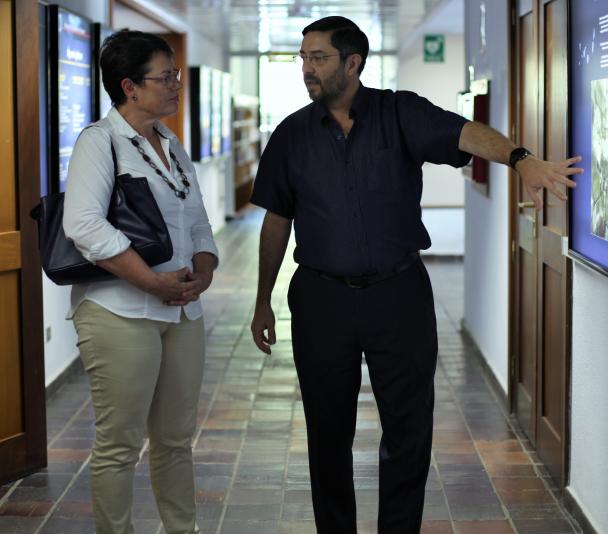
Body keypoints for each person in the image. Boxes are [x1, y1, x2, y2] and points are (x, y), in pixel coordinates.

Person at [249, 16, 581, 534]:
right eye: (304, 58)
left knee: (408, 429)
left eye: (318, 58)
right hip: (321, 300)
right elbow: (275, 219)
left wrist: (520, 159)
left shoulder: (398, 112)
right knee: (326, 432)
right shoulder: (291, 135)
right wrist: (262, 299)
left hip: (397, 296)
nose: (307, 69)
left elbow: (464, 133)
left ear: (353, 63)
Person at [63, 30, 218, 534]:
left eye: (175, 74)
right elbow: (84, 225)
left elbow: (198, 223)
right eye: (165, 76)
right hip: (119, 313)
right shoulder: (99, 141)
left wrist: (204, 271)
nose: (176, 84)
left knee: (175, 440)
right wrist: (152, 283)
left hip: (181, 312)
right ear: (129, 86)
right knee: (119, 444)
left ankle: (182, 529)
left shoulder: (171, 144)